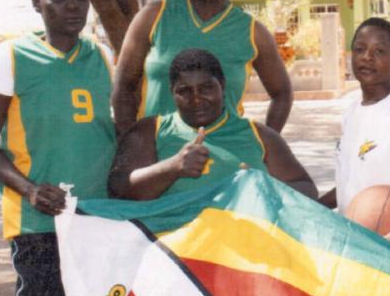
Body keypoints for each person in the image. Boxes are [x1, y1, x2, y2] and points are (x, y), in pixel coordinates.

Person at [0, 0, 117, 296]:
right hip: (37, 218)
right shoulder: (10, 57)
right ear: (36, 4)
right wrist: (28, 189)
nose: (71, 5)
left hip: (96, 216)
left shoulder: (100, 56)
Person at [109, 48, 317, 200]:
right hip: (176, 253)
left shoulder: (258, 135)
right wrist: (172, 167)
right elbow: (119, 189)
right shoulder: (150, 131)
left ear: (223, 86)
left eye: (206, 88)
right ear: (172, 92)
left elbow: (306, 188)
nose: (197, 99)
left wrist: (265, 188)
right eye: (185, 91)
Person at [112, 0, 292, 134]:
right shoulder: (154, 16)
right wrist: (132, 141)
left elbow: (282, 93)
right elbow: (123, 86)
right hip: (157, 149)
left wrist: (264, 144)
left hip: (224, 154)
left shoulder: (253, 32)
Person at [318, 17, 390, 249]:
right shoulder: (351, 112)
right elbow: (350, 179)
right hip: (352, 233)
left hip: (388, 235)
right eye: (359, 49)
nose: (367, 57)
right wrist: (312, 204)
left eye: (379, 51)